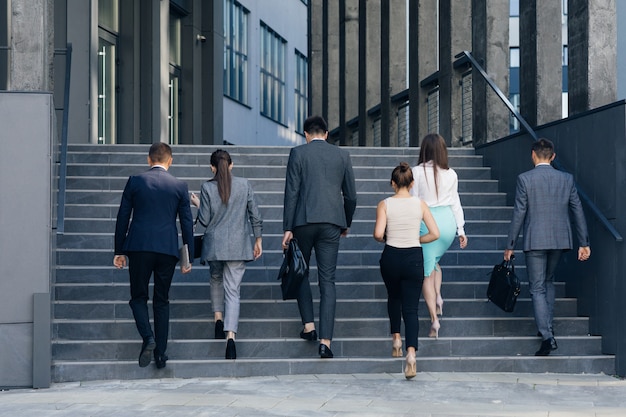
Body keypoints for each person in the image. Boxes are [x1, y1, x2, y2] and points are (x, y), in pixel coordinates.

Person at [504, 138, 591, 356]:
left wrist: (510, 245)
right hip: (560, 240)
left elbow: (519, 214)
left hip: (535, 241)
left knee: (536, 287)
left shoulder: (525, 179)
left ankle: (547, 336)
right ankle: (546, 326)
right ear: (552, 157)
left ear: (533, 155)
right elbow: (577, 211)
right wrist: (584, 243)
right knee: (548, 281)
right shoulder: (566, 179)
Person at [282, 115, 357, 359]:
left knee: (301, 270)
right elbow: (352, 196)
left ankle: (309, 326)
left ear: (305, 134)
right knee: (328, 280)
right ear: (326, 133)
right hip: (332, 222)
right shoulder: (342, 156)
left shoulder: (297, 154)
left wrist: (288, 228)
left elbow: (291, 192)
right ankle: (325, 342)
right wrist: (344, 222)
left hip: (303, 221)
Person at [113, 142, 194, 369]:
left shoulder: (135, 181)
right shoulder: (179, 186)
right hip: (167, 249)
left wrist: (119, 251)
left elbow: (122, 218)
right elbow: (187, 224)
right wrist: (188, 258)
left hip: (139, 246)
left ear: (149, 160)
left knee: (138, 297)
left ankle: (148, 337)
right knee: (162, 300)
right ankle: (160, 354)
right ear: (171, 161)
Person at [191, 149, 263, 360]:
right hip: (238, 246)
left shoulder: (207, 187)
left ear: (212, 167)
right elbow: (255, 215)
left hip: (214, 245)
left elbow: (203, 221)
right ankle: (230, 337)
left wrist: (197, 204)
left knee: (215, 279)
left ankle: (218, 319)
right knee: (233, 291)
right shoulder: (244, 184)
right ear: (231, 165)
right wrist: (258, 239)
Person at [373, 162, 440, 379]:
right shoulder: (420, 204)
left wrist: (389, 237)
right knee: (411, 309)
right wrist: (417, 239)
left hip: (391, 256)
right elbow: (435, 233)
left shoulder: (384, 204)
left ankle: (396, 339)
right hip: (413, 257)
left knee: (394, 297)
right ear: (411, 184)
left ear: (392, 183)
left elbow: (377, 234)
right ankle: (411, 355)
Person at [410, 133, 468, 339]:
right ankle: (439, 298)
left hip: (427, 222)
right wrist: (460, 230)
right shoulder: (451, 173)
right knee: (433, 262)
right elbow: (456, 203)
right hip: (447, 223)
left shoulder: (415, 172)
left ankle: (434, 319)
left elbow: (414, 201)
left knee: (426, 271)